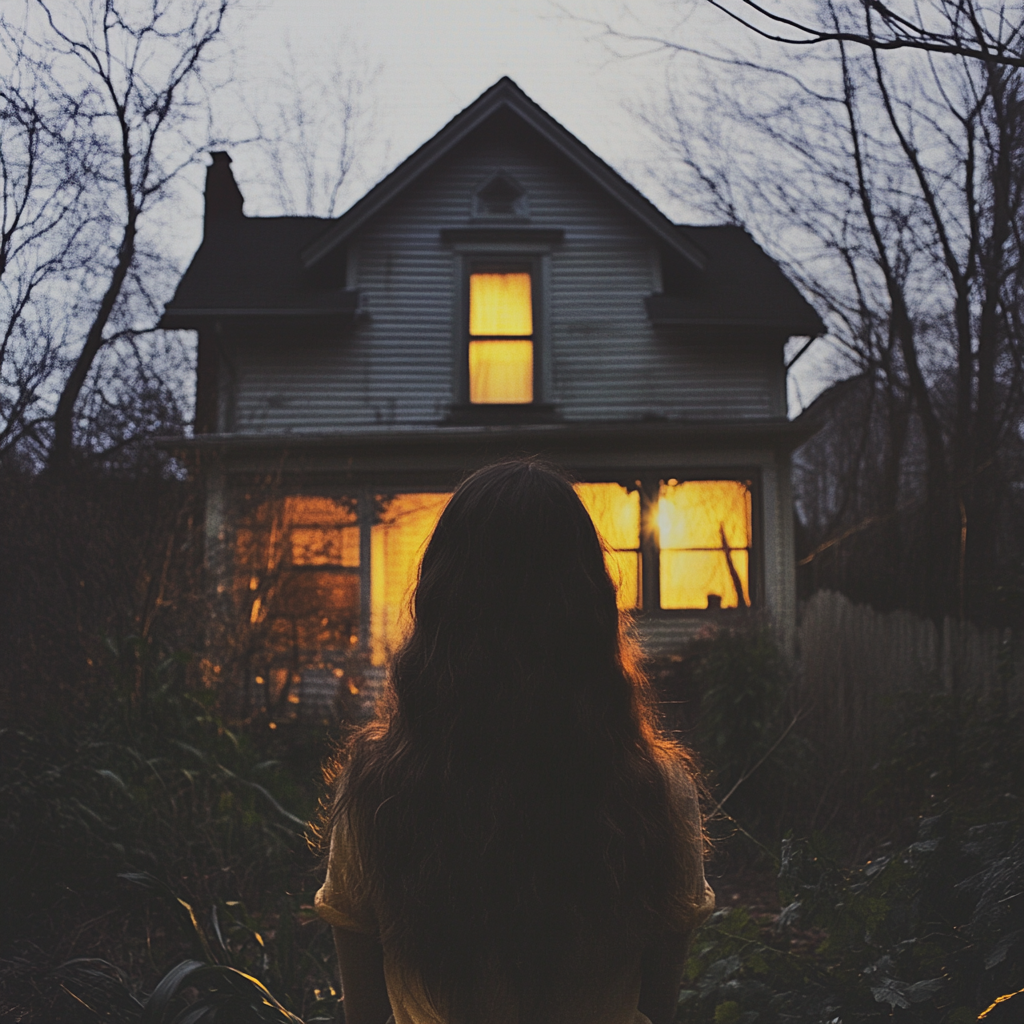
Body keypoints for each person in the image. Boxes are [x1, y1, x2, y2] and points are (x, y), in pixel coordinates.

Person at [316, 460, 714, 1024]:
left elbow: (364, 1013)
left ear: (439, 605)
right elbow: (656, 1007)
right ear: (592, 608)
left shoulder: (378, 790)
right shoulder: (655, 793)